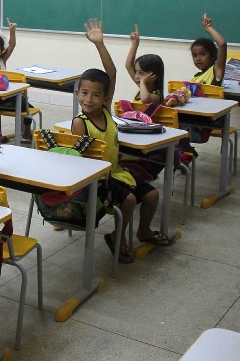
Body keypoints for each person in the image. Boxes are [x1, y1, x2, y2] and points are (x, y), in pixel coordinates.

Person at [72, 18, 175, 265]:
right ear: (77, 94)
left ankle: (144, 231)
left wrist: (100, 45)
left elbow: (112, 73)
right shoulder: (80, 123)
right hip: (96, 179)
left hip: (116, 172)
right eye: (84, 93)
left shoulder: (106, 111)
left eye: (96, 95)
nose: (89, 99)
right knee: (128, 200)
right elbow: (78, 162)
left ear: (106, 98)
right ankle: (117, 237)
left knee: (152, 196)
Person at [124, 24, 164, 104]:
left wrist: (142, 82)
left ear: (154, 76)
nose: (136, 76)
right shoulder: (142, 86)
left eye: (141, 73)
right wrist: (134, 45)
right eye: (136, 72)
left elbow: (145, 99)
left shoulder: (156, 95)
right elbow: (128, 66)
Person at [190, 13, 227, 86]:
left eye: (203, 54)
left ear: (212, 55)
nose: (198, 59)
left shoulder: (216, 71)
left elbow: (222, 44)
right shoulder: (195, 77)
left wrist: (208, 27)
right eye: (194, 55)